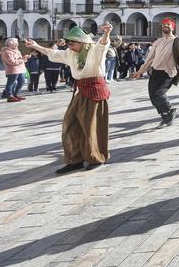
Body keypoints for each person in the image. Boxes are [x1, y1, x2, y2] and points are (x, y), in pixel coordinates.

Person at [24, 25, 113, 173]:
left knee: (91, 126)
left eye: (72, 43)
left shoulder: (93, 51)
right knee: (70, 124)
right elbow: (53, 53)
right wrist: (35, 45)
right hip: (81, 91)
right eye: (68, 44)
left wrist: (107, 33)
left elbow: (103, 45)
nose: (70, 47)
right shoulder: (71, 54)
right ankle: (75, 159)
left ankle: (95, 157)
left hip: (95, 90)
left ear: (82, 42)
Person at [132, 19, 179, 126]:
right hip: (155, 72)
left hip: (168, 72)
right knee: (153, 97)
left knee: (158, 94)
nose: (165, 26)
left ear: (173, 27)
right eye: (164, 24)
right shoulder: (158, 42)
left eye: (168, 24)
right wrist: (140, 71)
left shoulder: (178, 42)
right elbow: (150, 58)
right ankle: (165, 115)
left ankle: (170, 110)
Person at [1, 38, 28, 102]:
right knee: (11, 83)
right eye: (15, 44)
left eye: (17, 44)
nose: (17, 45)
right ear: (10, 44)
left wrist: (25, 58)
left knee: (22, 82)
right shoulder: (6, 52)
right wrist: (22, 60)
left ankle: (15, 94)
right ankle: (10, 96)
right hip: (13, 70)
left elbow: (20, 59)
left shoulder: (17, 51)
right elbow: (12, 62)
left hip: (21, 69)